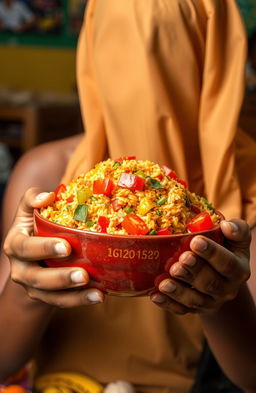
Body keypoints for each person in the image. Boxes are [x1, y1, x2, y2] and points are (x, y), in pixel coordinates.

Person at [0, 1, 256, 393]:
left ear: (214, 58)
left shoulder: (248, 181)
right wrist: (30, 288)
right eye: (118, 52)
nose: (142, 83)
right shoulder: (50, 176)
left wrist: (222, 297)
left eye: (166, 52)